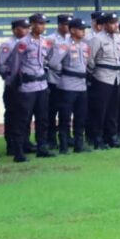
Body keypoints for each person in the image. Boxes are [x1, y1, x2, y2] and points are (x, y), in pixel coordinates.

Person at [6, 13, 56, 162]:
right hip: (27, 86)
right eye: (40, 23)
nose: (43, 26)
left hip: (41, 85)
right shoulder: (23, 43)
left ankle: (42, 147)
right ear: (32, 24)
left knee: (42, 119)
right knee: (23, 120)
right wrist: (13, 84)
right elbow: (15, 65)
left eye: (44, 24)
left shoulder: (45, 41)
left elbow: (47, 60)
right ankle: (18, 152)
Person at [45, 17, 92, 154]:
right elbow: (53, 63)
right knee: (65, 116)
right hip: (67, 85)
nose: (83, 32)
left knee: (80, 116)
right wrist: (64, 71)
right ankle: (64, 145)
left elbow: (86, 64)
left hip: (82, 85)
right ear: (72, 30)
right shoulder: (64, 45)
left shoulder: (84, 46)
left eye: (84, 29)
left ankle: (79, 144)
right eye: (81, 29)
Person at [87, 12, 120, 150]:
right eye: (113, 23)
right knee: (99, 110)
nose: (116, 25)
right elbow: (90, 59)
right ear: (105, 24)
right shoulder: (97, 39)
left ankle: (111, 137)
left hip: (115, 77)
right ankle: (97, 138)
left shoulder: (117, 38)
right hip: (102, 77)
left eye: (116, 22)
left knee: (113, 110)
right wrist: (92, 74)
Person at [0, 18, 29, 156]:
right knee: (12, 115)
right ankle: (11, 144)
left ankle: (25, 142)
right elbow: (0, 65)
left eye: (28, 27)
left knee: (25, 115)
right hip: (13, 86)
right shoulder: (8, 44)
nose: (27, 30)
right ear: (15, 29)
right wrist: (11, 77)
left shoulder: (29, 42)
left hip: (27, 86)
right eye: (23, 27)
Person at [44, 14, 72, 150]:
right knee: (52, 111)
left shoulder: (73, 39)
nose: (69, 27)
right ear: (60, 25)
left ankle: (66, 137)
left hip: (69, 81)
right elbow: (43, 58)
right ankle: (51, 139)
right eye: (67, 24)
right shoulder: (50, 39)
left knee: (66, 111)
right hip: (54, 79)